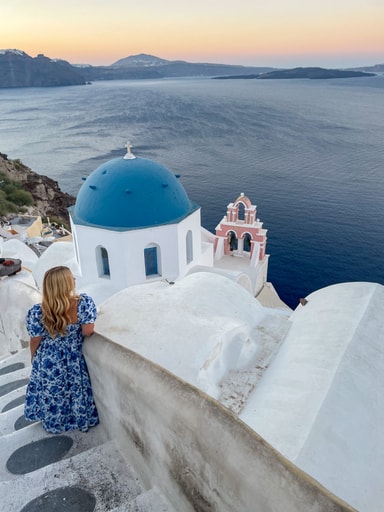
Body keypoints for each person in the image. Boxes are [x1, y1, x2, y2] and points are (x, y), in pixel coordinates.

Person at [24, 265, 99, 434]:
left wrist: (33, 359)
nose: (74, 280)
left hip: (48, 359)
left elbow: (35, 340)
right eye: (71, 278)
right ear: (65, 284)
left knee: (53, 393)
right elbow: (88, 331)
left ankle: (55, 423)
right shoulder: (83, 303)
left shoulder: (37, 311)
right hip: (72, 356)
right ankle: (78, 420)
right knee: (73, 389)